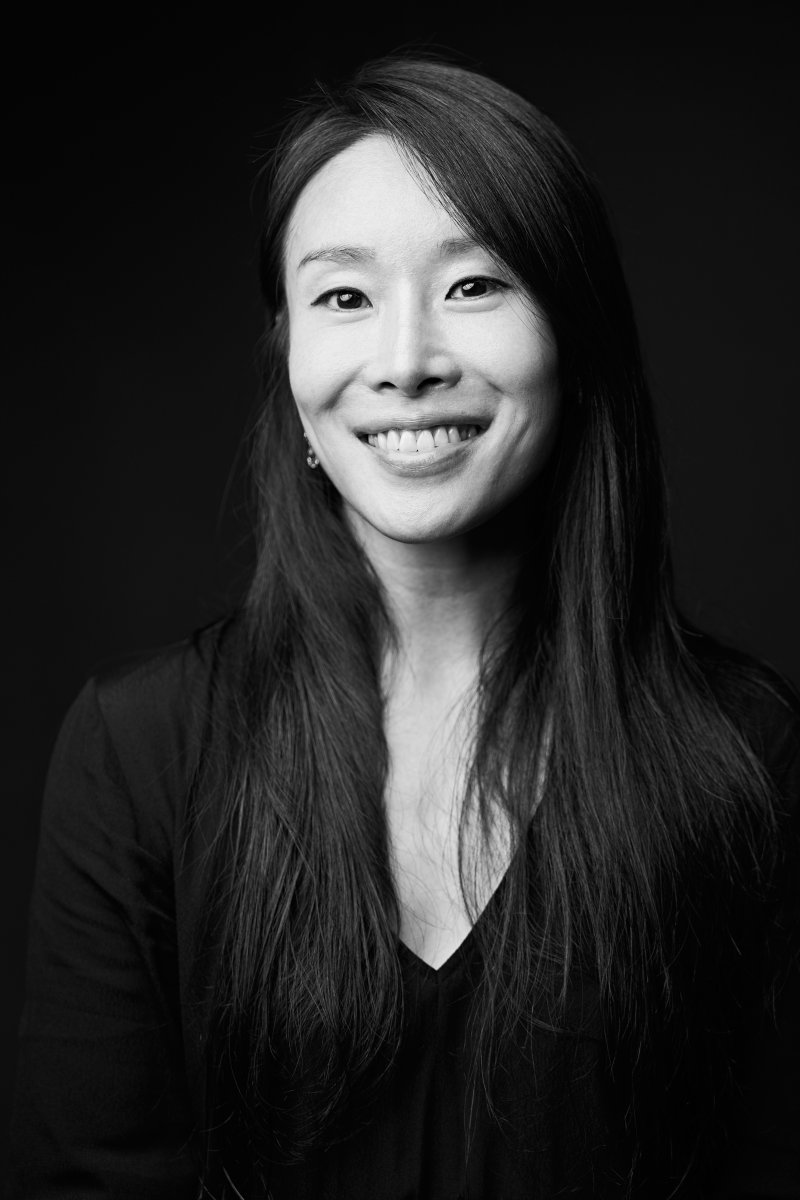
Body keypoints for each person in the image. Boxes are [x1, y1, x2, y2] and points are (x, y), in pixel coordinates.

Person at [8, 53, 800, 1200]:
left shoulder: (744, 756)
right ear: (288, 361)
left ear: (573, 340)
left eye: (472, 285)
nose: (405, 362)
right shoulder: (140, 752)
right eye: (344, 298)